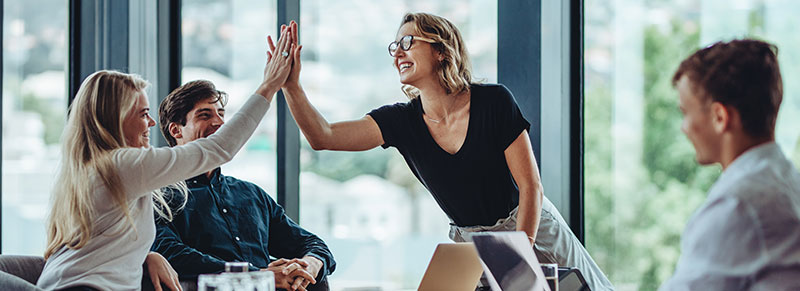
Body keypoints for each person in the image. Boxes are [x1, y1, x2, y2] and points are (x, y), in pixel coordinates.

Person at [275, 13, 614, 290]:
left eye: (408, 42)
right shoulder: (400, 121)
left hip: (531, 227)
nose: (397, 53)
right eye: (395, 46)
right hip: (471, 244)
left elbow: (531, 188)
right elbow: (324, 136)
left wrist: (515, 258)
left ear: (441, 50)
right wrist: (291, 86)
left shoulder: (494, 101)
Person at [36, 26, 296, 291]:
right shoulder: (121, 165)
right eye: (142, 113)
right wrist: (268, 86)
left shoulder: (91, 168)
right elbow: (219, 149)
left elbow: (99, 245)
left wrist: (147, 256)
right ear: (115, 118)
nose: (150, 123)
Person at [151, 79, 335, 291]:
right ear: (176, 131)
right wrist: (255, 276)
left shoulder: (251, 194)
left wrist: (310, 264)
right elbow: (170, 253)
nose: (220, 122)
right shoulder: (159, 196)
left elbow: (312, 244)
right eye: (205, 115)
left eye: (221, 113)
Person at [659, 39, 800, 290]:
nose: (684, 128)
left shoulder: (740, 204)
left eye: (685, 113)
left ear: (720, 117)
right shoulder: (786, 179)